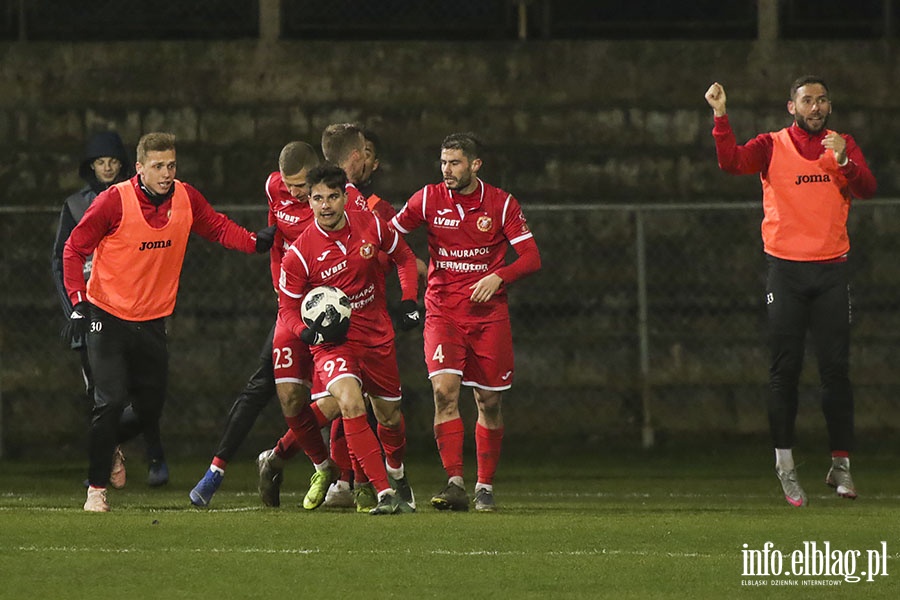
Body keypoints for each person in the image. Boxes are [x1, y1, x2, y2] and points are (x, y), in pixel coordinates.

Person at [63, 132, 277, 512]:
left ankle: (110, 443)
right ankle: (96, 491)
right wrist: (79, 303)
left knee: (150, 409)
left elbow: (217, 226)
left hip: (152, 321)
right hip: (106, 315)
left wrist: (254, 242)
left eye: (172, 165)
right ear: (140, 168)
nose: (166, 173)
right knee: (109, 402)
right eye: (159, 166)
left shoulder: (185, 197)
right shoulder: (114, 201)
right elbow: (73, 248)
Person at [704, 77, 877, 507]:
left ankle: (841, 466)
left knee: (836, 372)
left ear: (829, 106)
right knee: (785, 371)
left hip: (832, 272)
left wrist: (845, 162)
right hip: (786, 273)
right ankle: (786, 466)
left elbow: (868, 189)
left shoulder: (842, 145)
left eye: (821, 100)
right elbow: (731, 162)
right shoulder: (771, 144)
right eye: (807, 101)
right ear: (791, 106)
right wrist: (721, 116)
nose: (815, 107)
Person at [391, 132, 542, 512]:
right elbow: (388, 236)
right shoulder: (427, 198)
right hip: (442, 310)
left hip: (488, 315)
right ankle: (454, 481)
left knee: (488, 401)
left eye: (455, 162)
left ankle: (484, 485)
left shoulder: (501, 204)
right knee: (444, 390)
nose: (447, 170)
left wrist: (499, 277)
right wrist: (416, 266)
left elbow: (531, 257)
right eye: (443, 162)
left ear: (475, 165)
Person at [189, 141, 335, 508]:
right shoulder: (275, 188)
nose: (294, 192)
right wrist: (278, 290)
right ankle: (216, 471)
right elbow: (276, 242)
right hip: (290, 309)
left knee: (339, 399)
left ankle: (337, 476)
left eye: (301, 185)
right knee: (264, 388)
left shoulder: (332, 204)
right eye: (289, 185)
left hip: (328, 310)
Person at [278, 163, 421, 515]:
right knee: (350, 402)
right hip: (332, 343)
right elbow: (287, 309)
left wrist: (408, 299)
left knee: (389, 418)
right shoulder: (298, 255)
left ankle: (396, 472)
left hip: (376, 334)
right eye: (317, 198)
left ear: (345, 197)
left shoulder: (370, 225)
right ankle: (384, 494)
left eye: (331, 197)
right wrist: (305, 332)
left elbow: (403, 256)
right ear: (308, 202)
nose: (324, 205)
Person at [52, 131, 169, 488]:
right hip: (94, 309)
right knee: (105, 396)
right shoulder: (75, 205)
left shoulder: (140, 201)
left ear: (123, 165)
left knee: (148, 391)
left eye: (112, 162)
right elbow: (63, 257)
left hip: (135, 307)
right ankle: (106, 463)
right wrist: (73, 306)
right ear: (90, 166)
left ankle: (153, 453)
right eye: (100, 162)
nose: (106, 167)